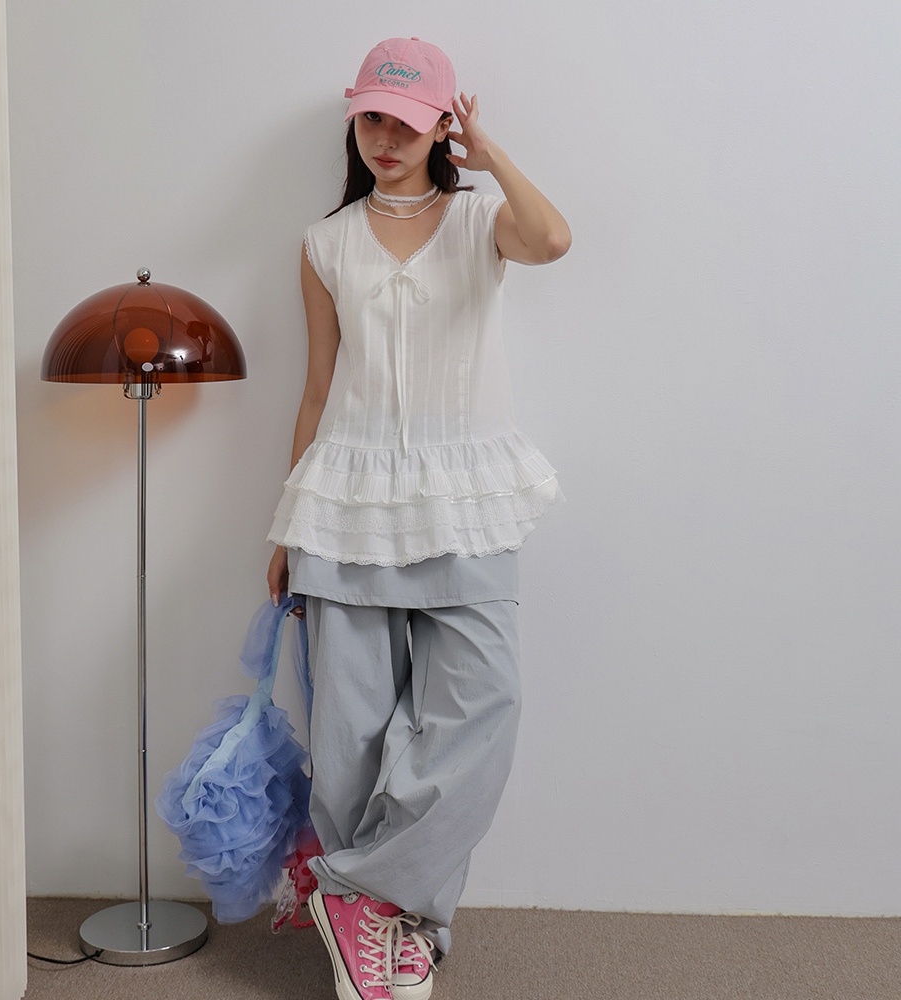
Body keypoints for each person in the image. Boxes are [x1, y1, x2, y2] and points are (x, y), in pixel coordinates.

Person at [265, 36, 570, 1000]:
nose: (385, 137)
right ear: (353, 122)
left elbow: (554, 240)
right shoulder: (325, 243)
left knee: (484, 707)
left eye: (406, 119)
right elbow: (318, 391)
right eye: (371, 118)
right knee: (350, 735)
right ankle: (390, 927)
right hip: (346, 504)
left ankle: (357, 895)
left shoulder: (482, 220)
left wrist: (491, 154)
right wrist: (286, 523)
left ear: (443, 124)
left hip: (464, 501)